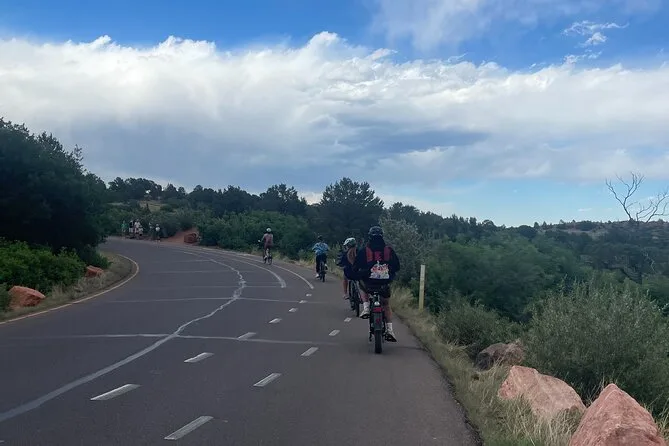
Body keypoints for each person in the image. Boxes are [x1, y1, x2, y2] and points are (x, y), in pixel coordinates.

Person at [351, 225, 400, 342]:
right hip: (384, 283)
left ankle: (366, 307)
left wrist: (359, 272)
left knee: (361, 284)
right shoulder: (388, 250)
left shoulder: (364, 251)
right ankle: (390, 330)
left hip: (369, 283)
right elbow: (397, 266)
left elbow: (356, 266)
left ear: (369, 236)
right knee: (386, 304)